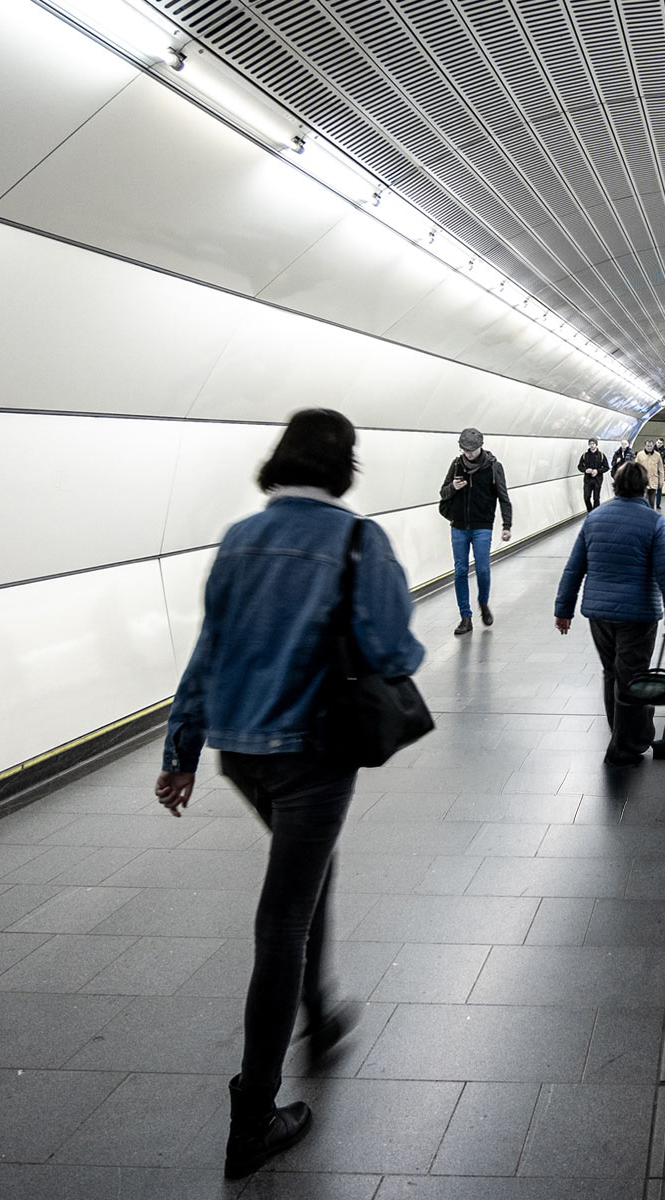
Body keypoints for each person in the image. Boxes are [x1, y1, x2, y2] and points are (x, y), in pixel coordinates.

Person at [155, 409, 427, 1180]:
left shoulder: (238, 539)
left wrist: (180, 750)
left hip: (239, 752)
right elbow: (393, 650)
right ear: (345, 466)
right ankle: (254, 1116)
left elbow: (207, 652)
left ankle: (319, 1010)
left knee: (308, 872)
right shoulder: (358, 540)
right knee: (283, 918)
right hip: (313, 754)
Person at [554, 462, 665, 764]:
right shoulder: (653, 521)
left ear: (615, 485)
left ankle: (627, 736)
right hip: (638, 615)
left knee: (612, 673)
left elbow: (574, 568)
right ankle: (623, 747)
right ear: (644, 487)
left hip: (599, 614)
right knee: (632, 679)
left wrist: (563, 610)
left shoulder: (595, 518)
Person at [440, 427, 512, 635]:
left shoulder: (494, 467)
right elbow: (443, 493)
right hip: (459, 526)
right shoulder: (456, 465)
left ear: (481, 446)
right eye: (465, 449)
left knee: (482, 569)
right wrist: (454, 487)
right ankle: (465, 617)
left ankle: (483, 603)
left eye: (471, 449)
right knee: (460, 571)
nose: (468, 453)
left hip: (482, 526)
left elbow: (503, 498)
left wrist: (507, 525)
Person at [578, 438, 608, 511]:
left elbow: (606, 467)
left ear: (596, 445)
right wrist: (585, 470)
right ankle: (590, 511)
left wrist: (597, 471)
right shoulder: (585, 455)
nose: (592, 445)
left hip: (597, 479)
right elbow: (579, 466)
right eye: (590, 444)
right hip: (587, 479)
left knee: (596, 498)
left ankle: (595, 513)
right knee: (586, 497)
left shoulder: (601, 455)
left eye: (593, 443)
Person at [635, 440, 665, 510]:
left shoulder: (657, 455)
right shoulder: (640, 454)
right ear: (645, 446)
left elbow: (661, 469)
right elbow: (636, 468)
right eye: (648, 446)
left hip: (653, 481)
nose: (649, 447)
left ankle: (651, 514)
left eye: (651, 446)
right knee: (643, 500)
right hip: (643, 481)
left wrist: (661, 481)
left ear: (653, 446)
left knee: (652, 501)